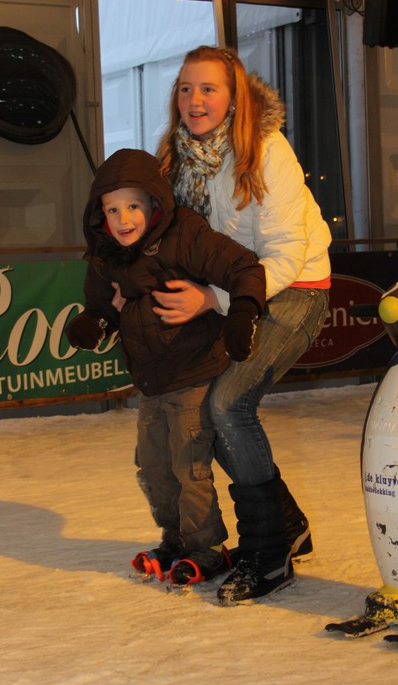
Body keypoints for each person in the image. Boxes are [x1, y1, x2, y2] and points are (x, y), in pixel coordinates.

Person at [153, 45, 332, 604]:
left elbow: (286, 253)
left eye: (208, 88)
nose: (195, 99)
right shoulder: (177, 157)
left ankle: (269, 553)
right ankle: (285, 523)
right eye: (186, 88)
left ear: (234, 98)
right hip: (229, 293)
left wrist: (212, 297)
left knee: (228, 404)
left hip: (294, 288)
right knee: (203, 411)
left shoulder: (266, 150)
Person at [65, 148, 266, 587]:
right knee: (154, 467)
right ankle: (174, 538)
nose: (123, 219)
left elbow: (243, 267)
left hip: (192, 371)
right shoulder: (106, 254)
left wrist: (241, 312)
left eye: (133, 206)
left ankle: (206, 547)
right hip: (151, 380)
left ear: (154, 203)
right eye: (112, 209)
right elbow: (103, 305)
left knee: (188, 466)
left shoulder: (184, 234)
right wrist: (93, 322)